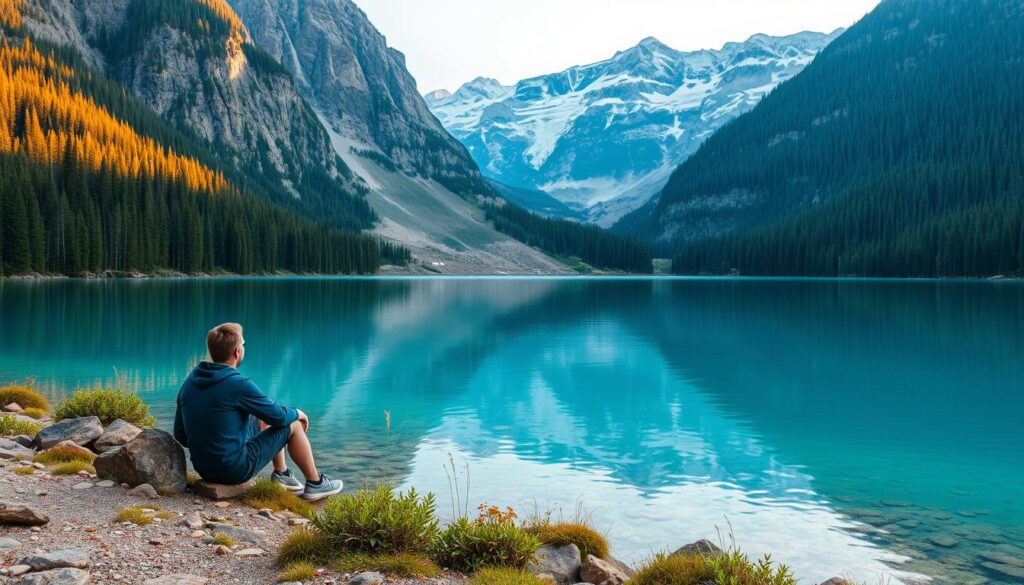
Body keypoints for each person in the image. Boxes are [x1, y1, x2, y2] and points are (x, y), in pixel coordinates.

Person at [173, 323, 343, 501]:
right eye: (243, 345)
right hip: (233, 470)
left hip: (203, 468)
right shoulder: (237, 384)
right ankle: (315, 484)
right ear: (237, 352)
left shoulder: (190, 381)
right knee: (292, 423)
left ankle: (282, 476)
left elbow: (181, 435)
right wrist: (298, 413)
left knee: (262, 416)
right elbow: (278, 416)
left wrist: (212, 443)